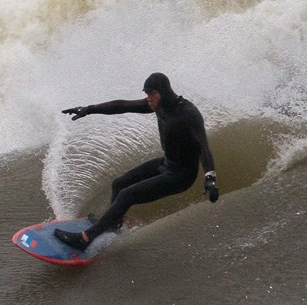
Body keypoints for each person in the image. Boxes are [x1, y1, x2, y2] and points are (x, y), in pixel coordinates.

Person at [55, 72, 218, 251]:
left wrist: (210, 177)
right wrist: (88, 109)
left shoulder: (188, 114)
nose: (148, 99)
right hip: (167, 164)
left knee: (127, 195)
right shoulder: (159, 105)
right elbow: (122, 106)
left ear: (162, 92)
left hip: (182, 175)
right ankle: (113, 225)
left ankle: (85, 239)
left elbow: (204, 147)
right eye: (147, 94)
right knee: (119, 184)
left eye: (151, 94)